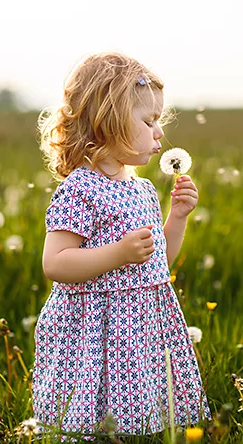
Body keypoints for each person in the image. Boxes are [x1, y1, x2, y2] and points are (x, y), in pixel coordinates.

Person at [32, 51, 211, 441]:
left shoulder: (143, 189)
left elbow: (156, 263)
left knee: (136, 416)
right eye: (148, 121)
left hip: (138, 324)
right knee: (89, 414)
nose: (159, 132)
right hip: (94, 328)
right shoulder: (79, 190)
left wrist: (176, 219)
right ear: (107, 123)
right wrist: (117, 253)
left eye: (158, 121)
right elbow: (56, 263)